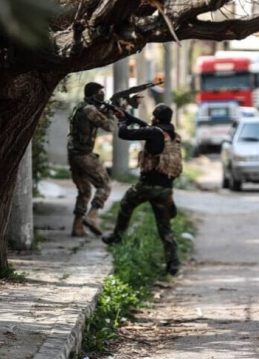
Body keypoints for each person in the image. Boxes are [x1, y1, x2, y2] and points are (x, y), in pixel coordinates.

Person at [102, 104, 183, 276]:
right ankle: (173, 263)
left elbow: (124, 133)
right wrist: (129, 117)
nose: (152, 119)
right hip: (165, 189)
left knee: (126, 203)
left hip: (147, 185)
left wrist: (122, 120)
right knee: (165, 228)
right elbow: (146, 127)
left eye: (154, 116)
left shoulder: (154, 132)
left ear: (157, 118)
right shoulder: (173, 135)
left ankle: (117, 236)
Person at [67, 82, 117, 237]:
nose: (102, 95)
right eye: (100, 93)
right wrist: (113, 113)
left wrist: (107, 110)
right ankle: (92, 216)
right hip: (84, 155)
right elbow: (110, 127)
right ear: (93, 95)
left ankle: (77, 227)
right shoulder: (90, 110)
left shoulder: (80, 107)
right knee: (105, 185)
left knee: (84, 191)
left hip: (74, 153)